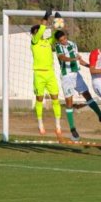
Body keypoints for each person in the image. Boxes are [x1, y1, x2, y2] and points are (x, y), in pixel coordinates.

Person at [54, 30, 101, 141]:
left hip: (77, 75)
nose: (64, 41)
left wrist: (90, 66)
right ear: (58, 41)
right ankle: (73, 129)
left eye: (64, 38)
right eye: (61, 40)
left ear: (66, 36)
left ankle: (100, 115)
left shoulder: (73, 44)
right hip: (66, 77)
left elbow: (80, 60)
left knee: (87, 95)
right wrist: (72, 59)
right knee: (69, 103)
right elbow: (62, 58)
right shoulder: (58, 47)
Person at [30, 8, 62, 136]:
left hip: (50, 73)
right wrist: (46, 16)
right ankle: (40, 123)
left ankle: (58, 125)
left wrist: (58, 19)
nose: (41, 32)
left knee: (55, 98)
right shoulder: (34, 42)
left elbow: (57, 33)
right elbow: (42, 28)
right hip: (39, 74)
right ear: (34, 33)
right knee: (39, 99)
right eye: (38, 30)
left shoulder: (48, 42)